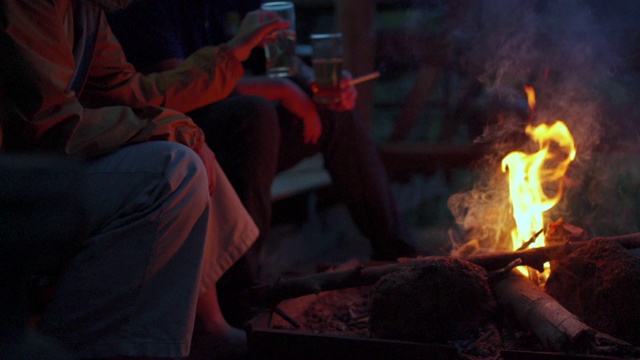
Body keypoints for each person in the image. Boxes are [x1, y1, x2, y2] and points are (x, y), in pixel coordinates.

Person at [1, 0, 289, 358]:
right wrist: (172, 131)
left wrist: (232, 55)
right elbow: (51, 125)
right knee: (172, 164)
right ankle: (103, 345)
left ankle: (208, 325)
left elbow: (129, 91)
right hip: (20, 181)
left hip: (50, 164)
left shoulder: (87, 9)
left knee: (189, 146)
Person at [107, 0, 418, 276]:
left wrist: (317, 86)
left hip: (249, 135)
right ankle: (241, 286)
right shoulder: (146, 7)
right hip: (182, 133)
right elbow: (173, 91)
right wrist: (281, 90)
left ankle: (399, 254)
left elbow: (279, 55)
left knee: (335, 113)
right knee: (254, 114)